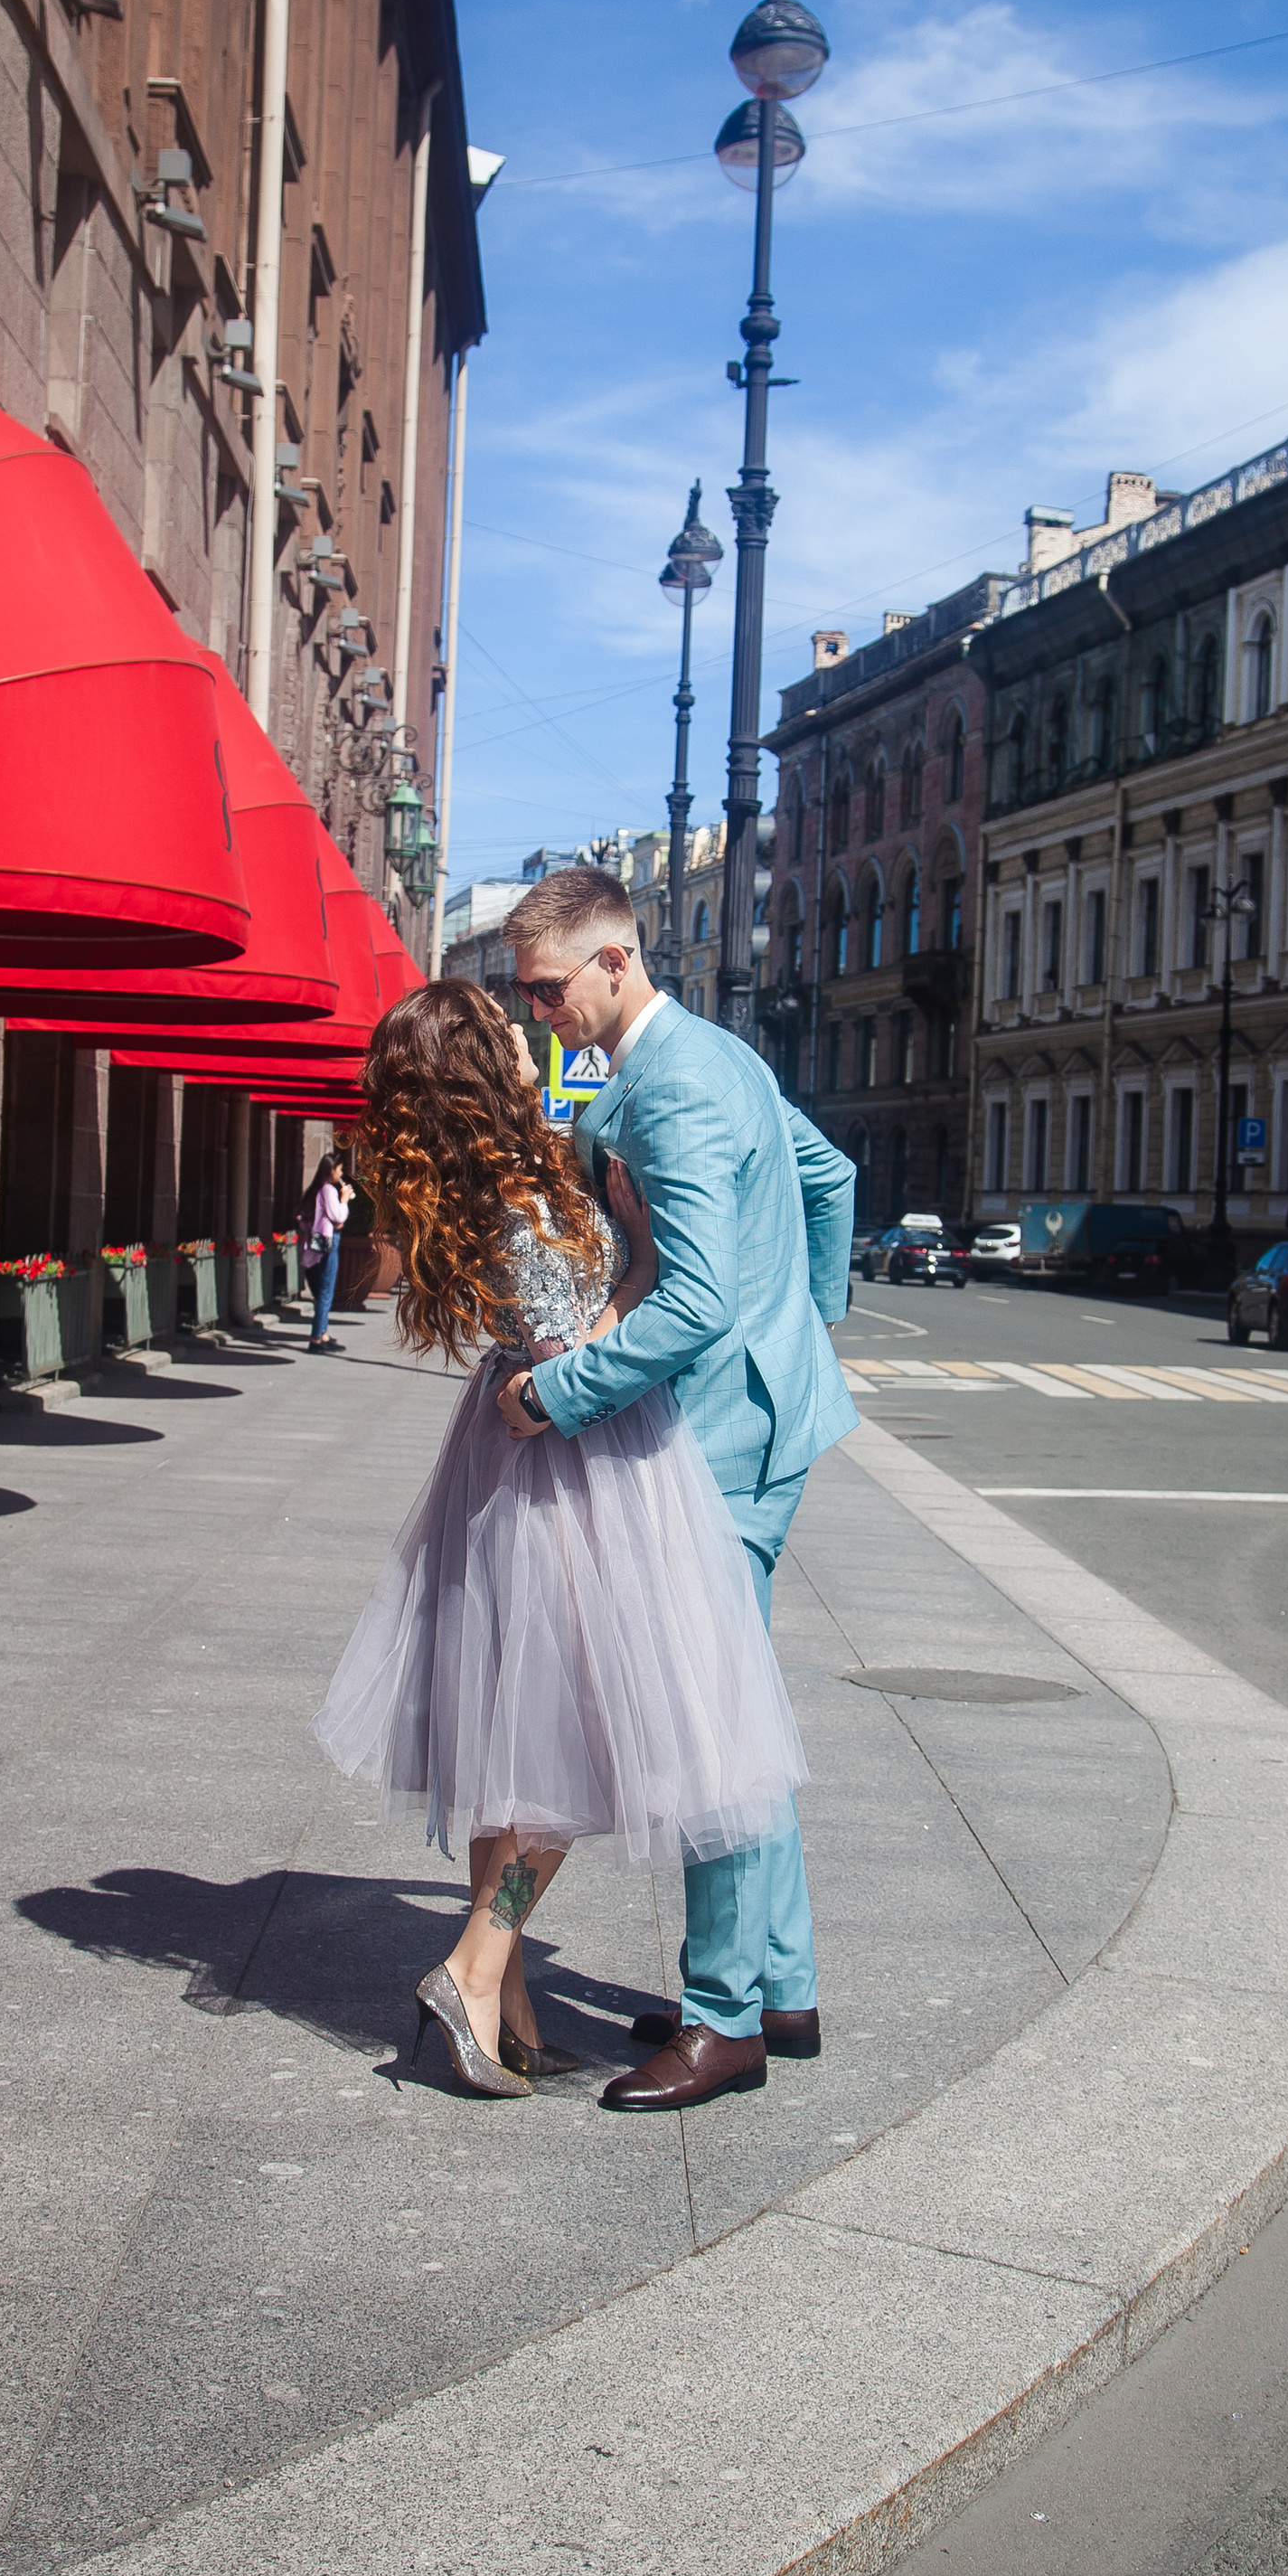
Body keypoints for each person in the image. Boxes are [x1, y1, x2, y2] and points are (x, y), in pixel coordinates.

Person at [311, 978, 810, 2099]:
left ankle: (510, 2011)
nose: (525, 1033)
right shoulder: (521, 1191)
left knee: (516, 1737)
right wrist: (643, 1259)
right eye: (504, 1030)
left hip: (508, 1465)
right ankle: (474, 1966)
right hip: (574, 1467)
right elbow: (573, 1342)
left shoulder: (476, 1178)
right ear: (481, 1069)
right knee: (577, 1739)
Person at [494, 864, 857, 2112]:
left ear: (616, 959)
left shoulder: (676, 1084)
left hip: (723, 1442)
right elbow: (829, 1177)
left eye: (551, 990)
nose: (543, 1014)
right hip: (757, 1414)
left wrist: (559, 1394)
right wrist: (801, 1323)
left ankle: (725, 2022)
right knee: (736, 1702)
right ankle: (780, 1990)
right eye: (528, 996)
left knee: (711, 1724)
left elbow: (697, 1299)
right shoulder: (713, 1056)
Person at [298, 1151, 350, 1354]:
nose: (341, 1173)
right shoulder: (328, 1189)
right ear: (331, 1170)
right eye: (340, 1169)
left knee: (322, 1291)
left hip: (315, 1244)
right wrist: (344, 1199)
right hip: (328, 1244)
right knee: (326, 1292)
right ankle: (316, 1338)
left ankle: (323, 1333)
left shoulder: (316, 1190)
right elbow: (338, 1216)